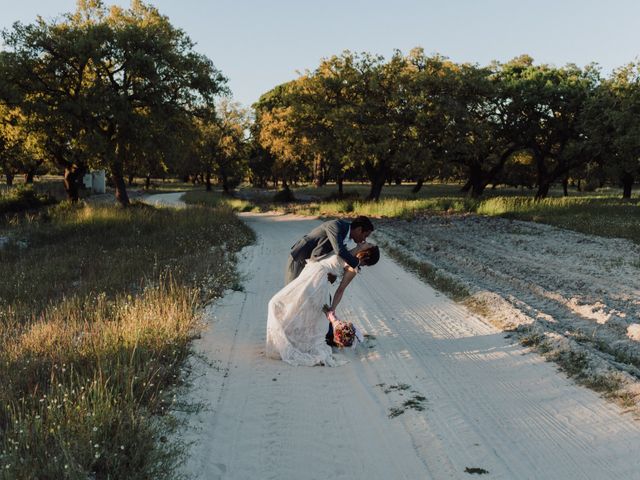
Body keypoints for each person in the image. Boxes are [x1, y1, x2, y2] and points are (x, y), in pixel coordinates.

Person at [266, 243, 380, 366]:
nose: (365, 242)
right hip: (309, 273)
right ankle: (286, 340)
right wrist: (359, 247)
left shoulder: (353, 266)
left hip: (317, 282)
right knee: (287, 305)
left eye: (368, 244)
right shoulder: (347, 251)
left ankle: (291, 343)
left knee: (282, 305)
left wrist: (332, 310)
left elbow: (341, 289)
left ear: (366, 254)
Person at [285, 216, 374, 285]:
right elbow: (339, 251)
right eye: (365, 236)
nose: (364, 240)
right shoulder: (336, 226)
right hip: (300, 257)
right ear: (359, 230)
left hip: (312, 262)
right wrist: (356, 263)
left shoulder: (346, 237)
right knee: (291, 293)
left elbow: (333, 256)